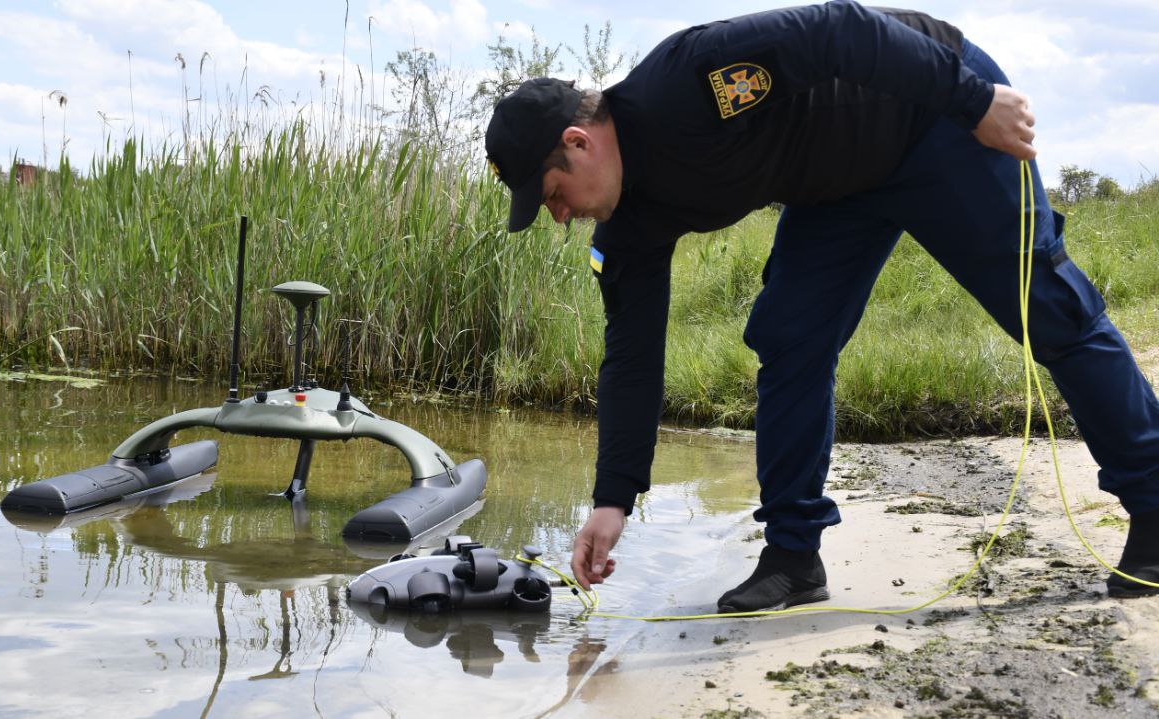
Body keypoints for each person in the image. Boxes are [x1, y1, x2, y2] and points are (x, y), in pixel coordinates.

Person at [484, 0, 1159, 611]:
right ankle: (792, 556)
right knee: (789, 337)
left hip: (933, 117)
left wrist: (973, 97)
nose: (558, 217)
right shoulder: (627, 227)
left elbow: (841, 29)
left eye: (551, 195)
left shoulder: (688, 83)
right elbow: (631, 355)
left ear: (578, 143)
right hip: (840, 185)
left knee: (1051, 310)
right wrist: (612, 497)